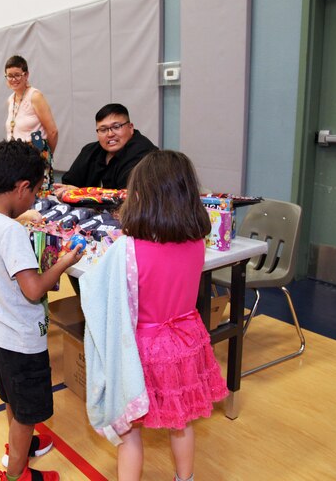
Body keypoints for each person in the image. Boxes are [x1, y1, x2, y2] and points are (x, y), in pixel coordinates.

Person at [104, 151, 228, 481]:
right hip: (186, 341)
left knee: (129, 431)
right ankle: (184, 479)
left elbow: (113, 301)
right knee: (181, 422)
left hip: (142, 347)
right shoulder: (196, 242)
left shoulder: (127, 248)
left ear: (142, 195)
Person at [0, 140, 83, 481]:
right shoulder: (11, 232)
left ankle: (20, 447)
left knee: (13, 401)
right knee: (25, 413)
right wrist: (65, 261)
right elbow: (33, 290)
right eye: (33, 192)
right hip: (21, 340)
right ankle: (17, 475)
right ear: (21, 188)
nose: (34, 199)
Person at [54, 103, 158, 196]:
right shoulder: (90, 150)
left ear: (130, 128)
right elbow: (68, 185)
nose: (110, 134)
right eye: (103, 130)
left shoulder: (144, 153)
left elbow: (124, 197)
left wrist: (82, 195)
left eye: (116, 127)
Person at [4, 55, 58, 195]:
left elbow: (52, 131)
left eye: (17, 75)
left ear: (26, 75)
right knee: (20, 197)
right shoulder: (11, 99)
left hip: (36, 153)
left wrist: (46, 156)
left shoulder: (35, 96)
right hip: (17, 156)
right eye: (9, 76)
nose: (13, 79)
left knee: (40, 197)